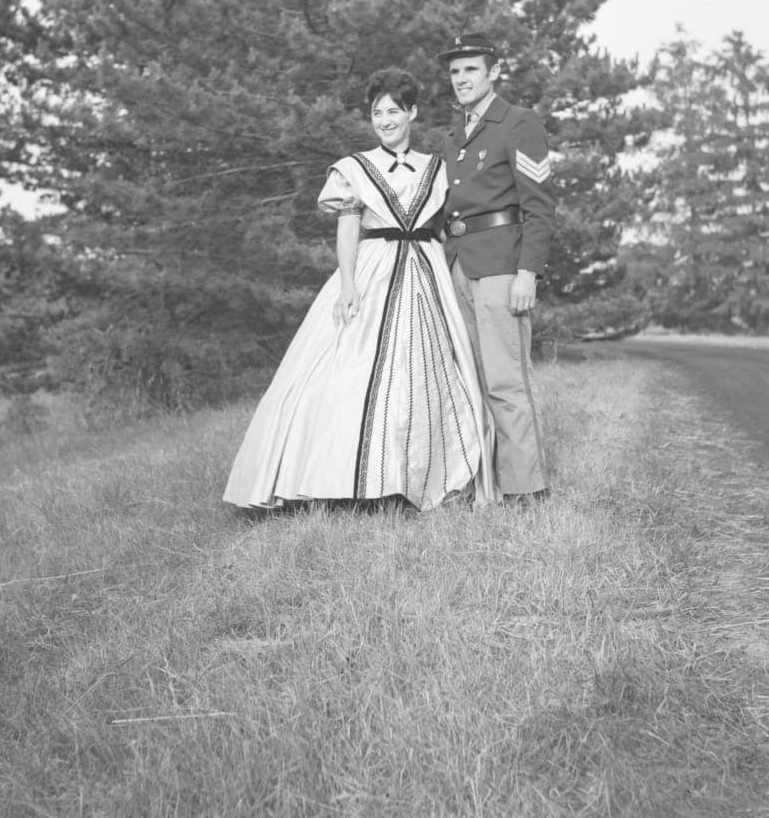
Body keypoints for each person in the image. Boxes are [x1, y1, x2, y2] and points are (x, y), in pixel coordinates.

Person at [223, 69, 496, 514]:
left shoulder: (438, 167)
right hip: (373, 268)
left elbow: (447, 228)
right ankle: (338, 480)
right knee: (343, 374)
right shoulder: (353, 169)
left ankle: (418, 478)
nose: (385, 120)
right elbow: (348, 228)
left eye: (393, 111)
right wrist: (348, 284)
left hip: (425, 269)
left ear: (412, 113)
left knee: (427, 374)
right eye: (376, 113)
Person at [436, 32, 557, 504]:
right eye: (454, 72)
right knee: (469, 380)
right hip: (459, 267)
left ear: (494, 72)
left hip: (503, 265)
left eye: (470, 69)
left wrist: (529, 271)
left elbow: (541, 204)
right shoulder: (453, 137)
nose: (461, 79)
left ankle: (526, 490)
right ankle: (482, 484)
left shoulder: (518, 123)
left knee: (507, 381)